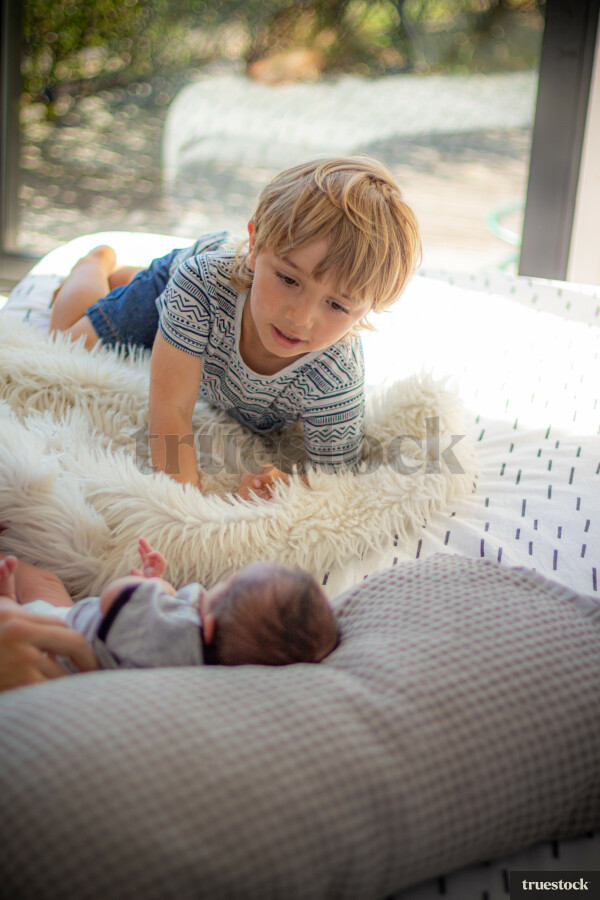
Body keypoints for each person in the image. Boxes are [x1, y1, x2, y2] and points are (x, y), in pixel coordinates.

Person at [48, 156, 421, 499]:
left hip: (202, 308)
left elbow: (333, 479)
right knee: (69, 339)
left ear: (369, 309)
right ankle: (98, 263)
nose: (301, 317)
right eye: (289, 280)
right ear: (256, 245)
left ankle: (131, 280)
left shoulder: (336, 375)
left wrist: (284, 487)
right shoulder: (199, 285)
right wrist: (187, 508)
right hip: (185, 282)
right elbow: (171, 411)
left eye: (337, 305)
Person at [0, 540, 338, 681]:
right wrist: (158, 582)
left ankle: (9, 603)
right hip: (71, 637)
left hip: (48, 645)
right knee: (44, 584)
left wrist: (152, 586)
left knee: (40, 581)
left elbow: (114, 599)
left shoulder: (178, 633)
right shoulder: (201, 659)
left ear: (206, 627)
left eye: (227, 583)